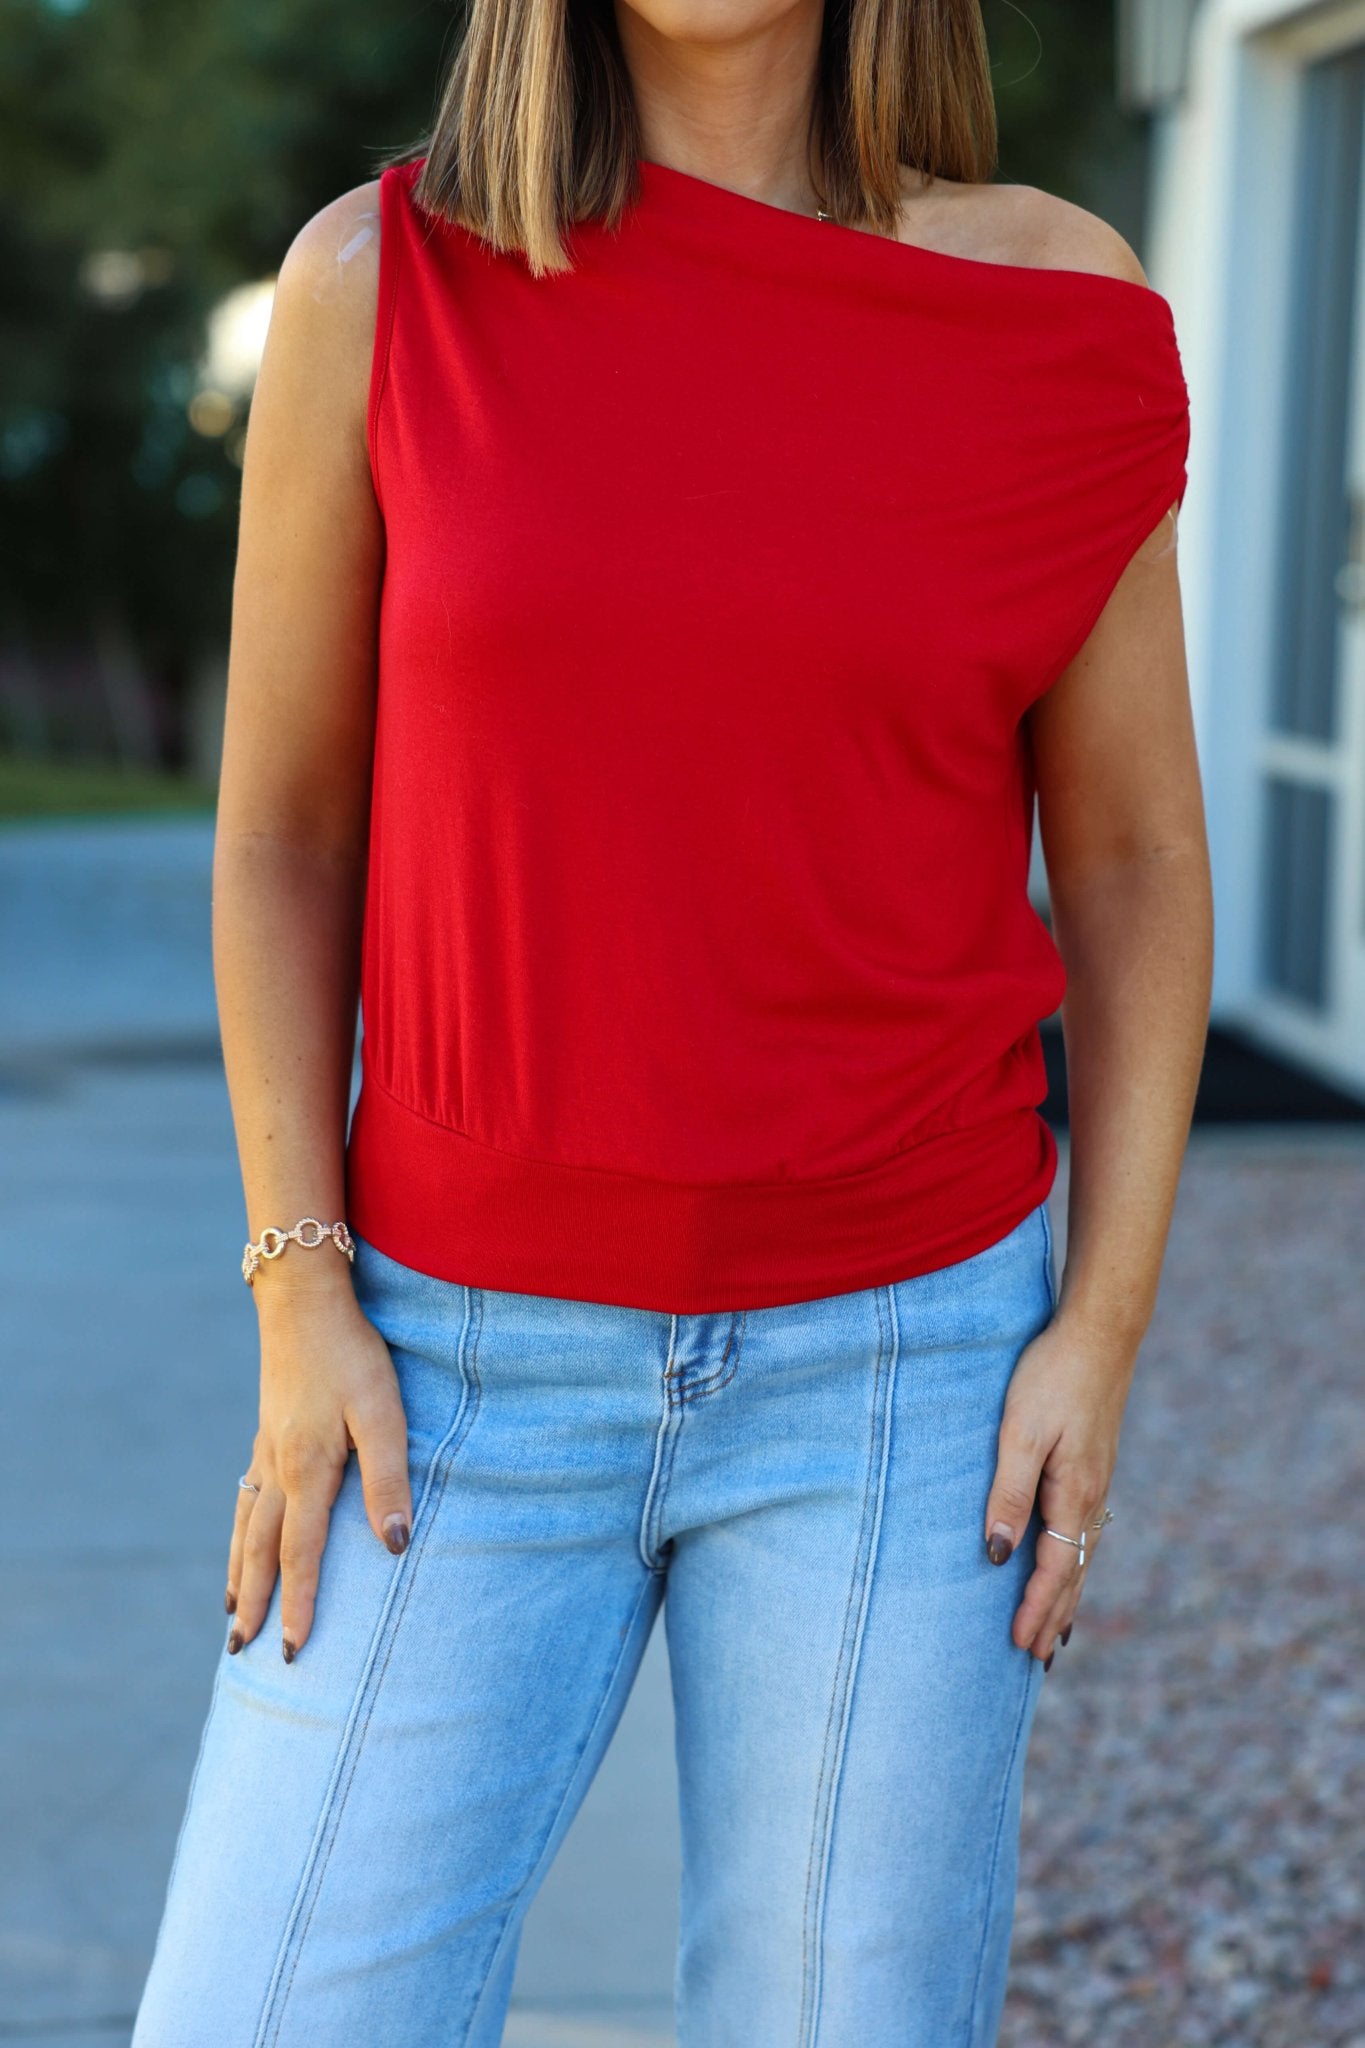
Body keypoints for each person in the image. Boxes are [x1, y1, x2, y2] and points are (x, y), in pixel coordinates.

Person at [129, 0, 1212, 2038]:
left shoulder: (1054, 304)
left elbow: (1138, 858)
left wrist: (1103, 1320)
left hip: (905, 1378)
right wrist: (298, 1286)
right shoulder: (380, 284)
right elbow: (279, 833)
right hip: (444, 1372)